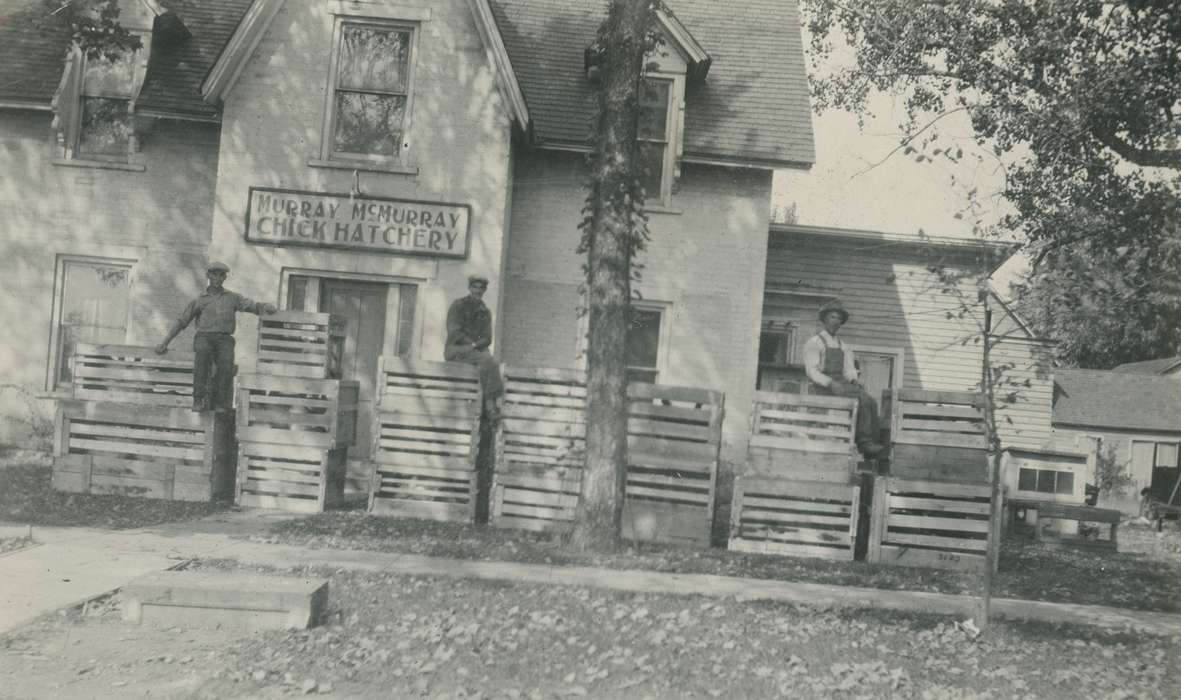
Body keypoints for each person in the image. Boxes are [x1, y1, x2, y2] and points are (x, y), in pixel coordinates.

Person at [155, 261, 276, 412]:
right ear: (208, 276)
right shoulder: (200, 300)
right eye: (214, 275)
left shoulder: (232, 298)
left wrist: (265, 307)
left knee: (226, 365)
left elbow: (251, 306)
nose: (217, 279)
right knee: (202, 357)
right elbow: (182, 322)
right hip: (204, 337)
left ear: (225, 278)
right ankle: (198, 400)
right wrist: (165, 342)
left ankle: (221, 403)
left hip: (224, 339)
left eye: (221, 276)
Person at [802, 299, 886, 458]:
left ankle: (872, 445)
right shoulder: (814, 342)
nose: (836, 322)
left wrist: (854, 380)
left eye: (839, 319)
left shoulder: (843, 345)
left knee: (871, 401)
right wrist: (830, 382)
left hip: (841, 383)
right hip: (823, 386)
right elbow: (811, 371)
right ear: (825, 319)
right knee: (862, 400)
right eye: (833, 317)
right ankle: (863, 441)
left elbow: (848, 370)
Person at [445, 274, 504, 418]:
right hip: (456, 348)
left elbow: (487, 338)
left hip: (475, 351)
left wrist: (475, 345)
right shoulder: (458, 305)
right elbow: (454, 331)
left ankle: (490, 407)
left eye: (481, 288)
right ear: (469, 288)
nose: (478, 291)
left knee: (490, 362)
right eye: (475, 287)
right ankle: (491, 407)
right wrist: (472, 344)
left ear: (484, 290)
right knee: (487, 361)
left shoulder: (485, 312)